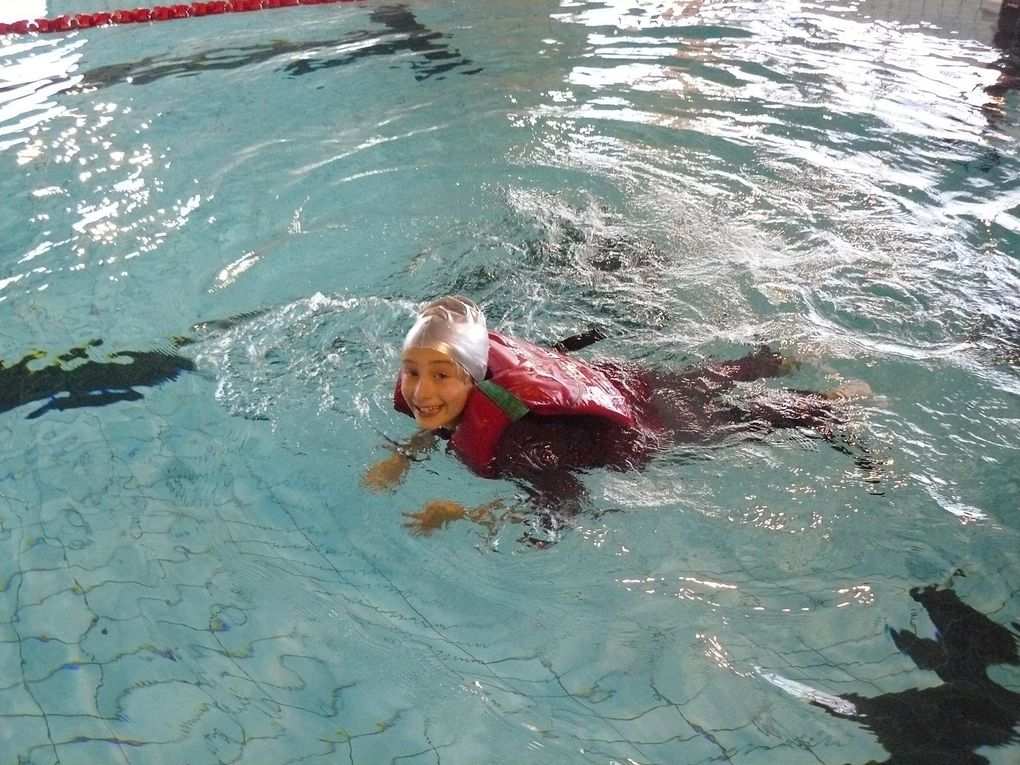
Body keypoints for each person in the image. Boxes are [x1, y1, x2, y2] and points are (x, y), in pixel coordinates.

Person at [364, 296, 868, 542]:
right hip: (616, 380)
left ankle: (835, 402)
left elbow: (565, 502)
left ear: (474, 379)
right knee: (703, 377)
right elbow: (446, 420)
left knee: (742, 421)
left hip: (639, 431)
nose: (421, 391)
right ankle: (780, 357)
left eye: (440, 376)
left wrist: (467, 514)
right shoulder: (475, 382)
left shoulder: (523, 447)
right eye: (411, 372)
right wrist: (404, 458)